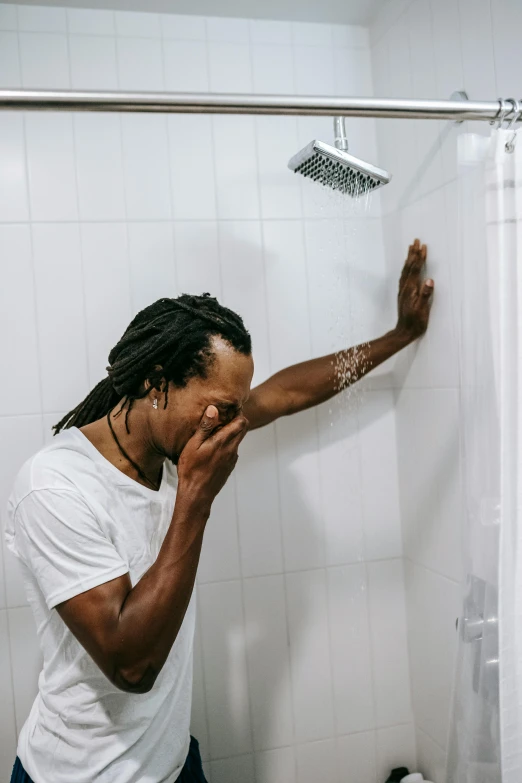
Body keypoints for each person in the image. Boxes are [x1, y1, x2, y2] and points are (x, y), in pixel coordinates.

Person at [6, 240, 433, 783]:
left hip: (175, 764)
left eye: (236, 407)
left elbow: (288, 393)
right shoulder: (54, 486)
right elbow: (131, 665)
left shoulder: (182, 436)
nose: (230, 424)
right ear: (156, 383)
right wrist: (195, 498)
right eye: (221, 407)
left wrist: (401, 335)